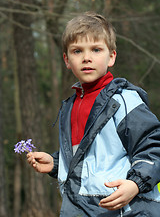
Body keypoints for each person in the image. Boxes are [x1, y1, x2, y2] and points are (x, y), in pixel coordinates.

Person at [27, 12, 160, 217]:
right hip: (80, 209)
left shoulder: (123, 100)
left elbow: (152, 147)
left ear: (111, 56)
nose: (87, 57)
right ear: (67, 60)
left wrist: (136, 183)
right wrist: (57, 163)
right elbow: (90, 158)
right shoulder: (70, 107)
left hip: (126, 208)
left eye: (96, 49)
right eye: (77, 51)